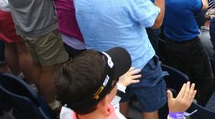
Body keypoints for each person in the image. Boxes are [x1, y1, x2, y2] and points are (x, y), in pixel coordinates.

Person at [74, 0, 173, 119]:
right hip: (139, 64)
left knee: (119, 102)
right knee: (149, 108)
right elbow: (157, 21)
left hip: (106, 65)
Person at [55, 47, 197, 119]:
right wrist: (175, 114)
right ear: (104, 100)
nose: (118, 80)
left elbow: (100, 105)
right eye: (115, 79)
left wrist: (120, 86)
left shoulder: (69, 106)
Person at [148, 0, 214, 104]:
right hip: (191, 45)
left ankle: (181, 103)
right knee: (206, 78)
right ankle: (203, 109)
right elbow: (204, 5)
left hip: (171, 44)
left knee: (180, 75)